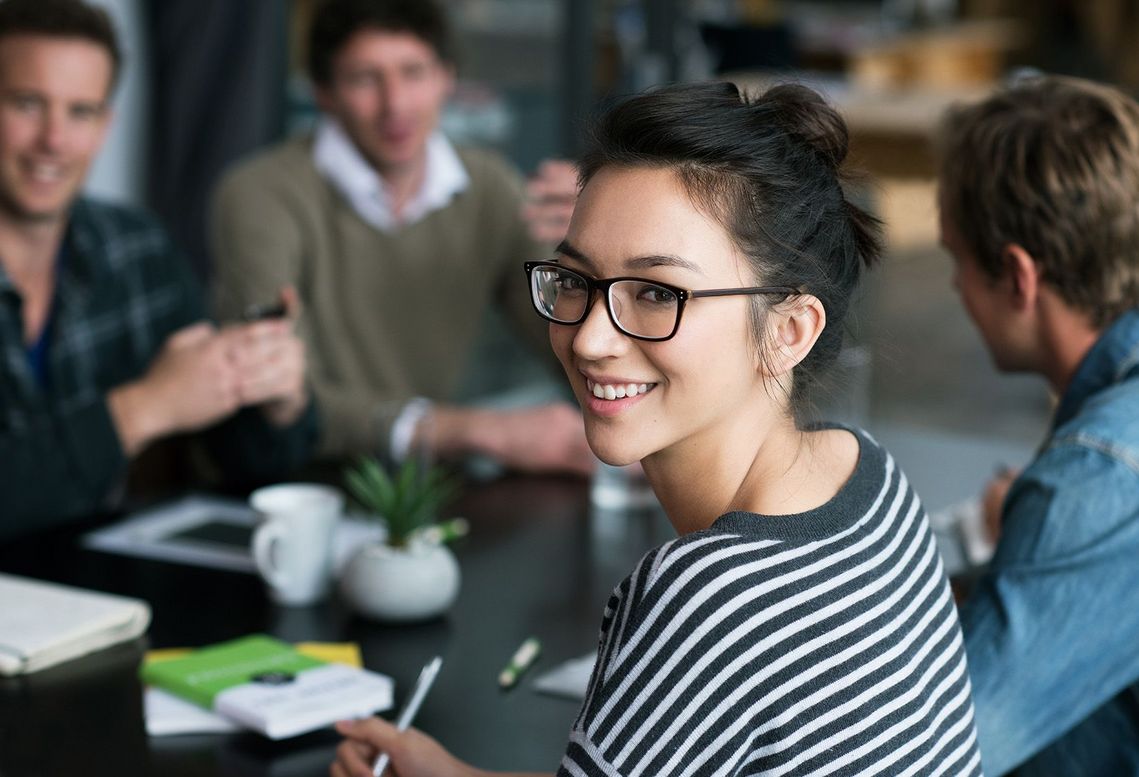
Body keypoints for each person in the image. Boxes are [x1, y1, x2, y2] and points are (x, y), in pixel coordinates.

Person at [331, 81, 982, 776]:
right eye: (575, 280)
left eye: (654, 293)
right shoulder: (867, 476)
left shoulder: (709, 595)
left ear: (790, 330)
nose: (588, 339)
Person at [210, 0, 591, 474]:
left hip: (421, 487)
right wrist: (479, 430)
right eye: (365, 79)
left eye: (414, 72)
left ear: (446, 78)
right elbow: (281, 396)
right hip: (294, 483)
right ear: (324, 92)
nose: (396, 104)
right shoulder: (261, 193)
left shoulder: (489, 186)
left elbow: (568, 345)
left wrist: (596, 255)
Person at [0, 0, 315, 538]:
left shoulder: (136, 248)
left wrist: (277, 399)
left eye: (81, 112)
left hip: (100, 593)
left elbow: (249, 464)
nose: (54, 141)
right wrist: (144, 408)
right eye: (28, 104)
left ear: (105, 126)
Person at [938, 75, 1139, 776]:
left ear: (1018, 277)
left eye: (955, 260)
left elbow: (943, 752)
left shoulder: (1099, 471)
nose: (954, 288)